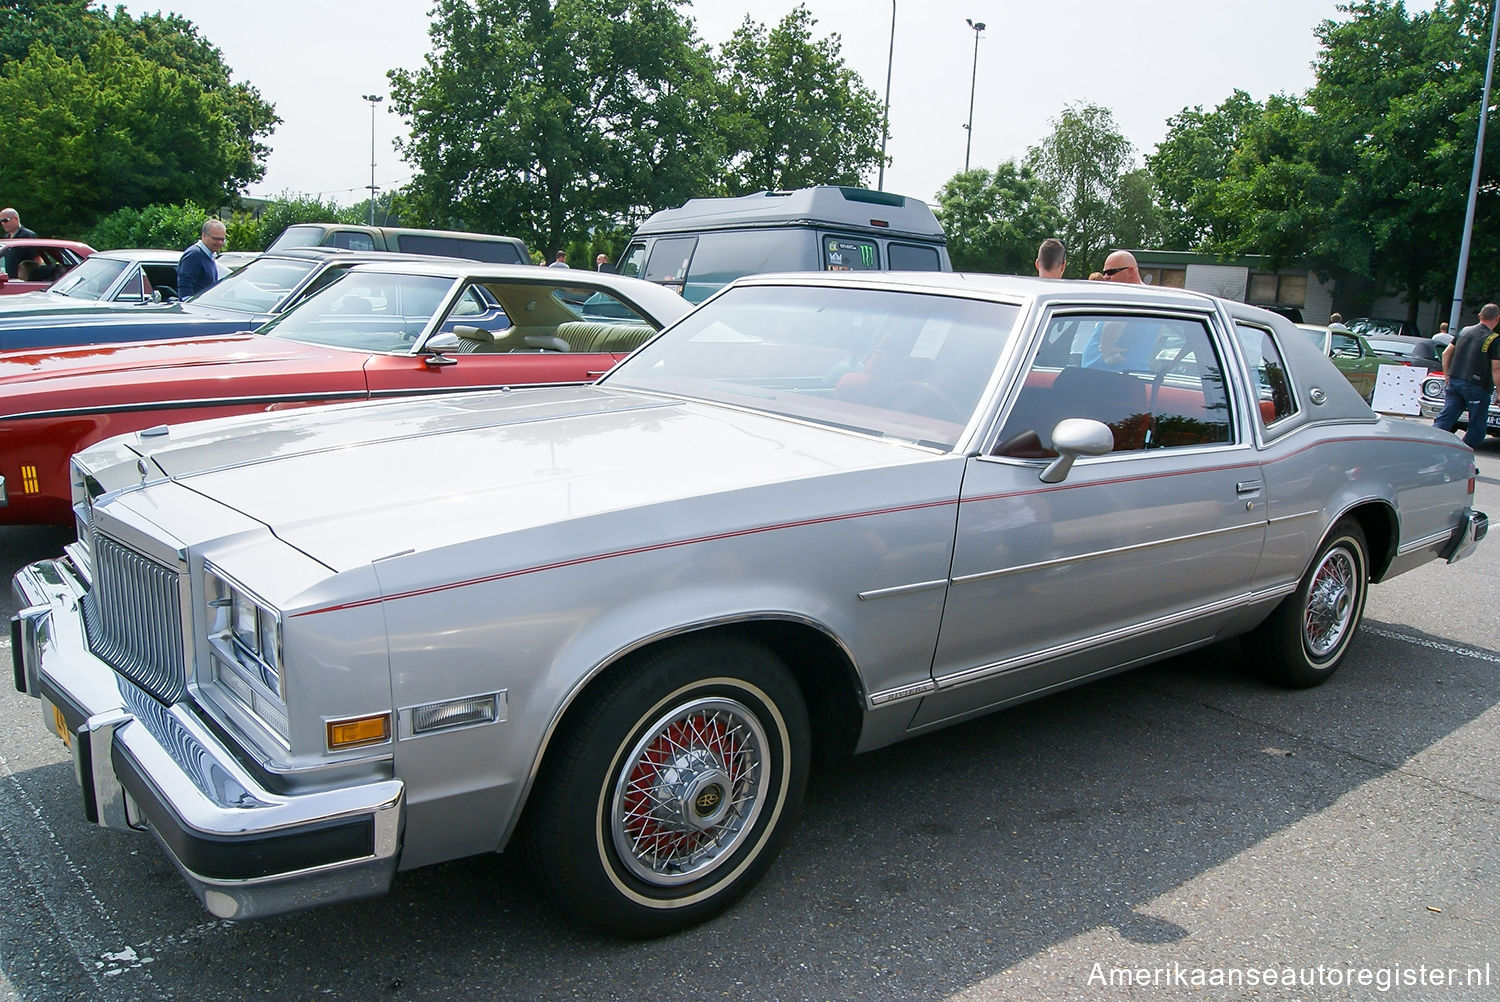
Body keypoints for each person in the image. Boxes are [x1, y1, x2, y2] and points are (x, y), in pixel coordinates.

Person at [1433, 303, 1500, 449]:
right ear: (1497, 318)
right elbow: (1496, 369)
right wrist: (1499, 394)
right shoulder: (1493, 339)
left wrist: (1447, 375)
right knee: (1477, 430)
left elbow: (1445, 353)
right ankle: (1461, 453)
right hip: (1477, 387)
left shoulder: (1464, 331)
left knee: (1444, 420)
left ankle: (1430, 449)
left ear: (1480, 316)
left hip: (1455, 382)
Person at [177, 218, 227, 298]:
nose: (220, 243)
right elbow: (185, 287)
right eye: (215, 239)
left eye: (222, 239)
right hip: (195, 308)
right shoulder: (194, 255)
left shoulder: (209, 255)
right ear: (204, 236)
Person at [1, 208, 39, 277]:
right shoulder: (6, 238)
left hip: (24, 280)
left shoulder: (28, 235)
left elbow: (37, 258)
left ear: (16, 219)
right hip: (9, 280)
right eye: (1, 221)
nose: (3, 224)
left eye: (5, 220)